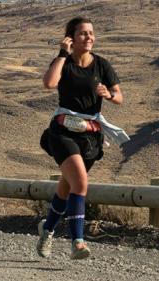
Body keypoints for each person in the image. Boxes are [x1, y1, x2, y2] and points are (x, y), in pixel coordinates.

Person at [36, 16, 129, 260]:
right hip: (63, 132)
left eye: (91, 33)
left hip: (90, 136)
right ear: (71, 38)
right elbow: (49, 83)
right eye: (83, 33)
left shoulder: (102, 65)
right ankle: (78, 242)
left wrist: (108, 94)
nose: (89, 37)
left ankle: (47, 230)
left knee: (66, 188)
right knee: (81, 184)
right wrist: (61, 53)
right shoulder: (63, 63)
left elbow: (119, 97)